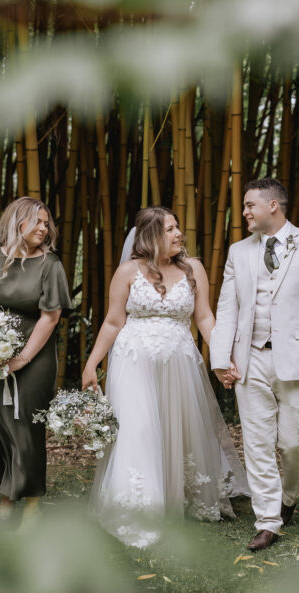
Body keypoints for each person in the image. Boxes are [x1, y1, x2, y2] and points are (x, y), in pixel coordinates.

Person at [83, 207, 248, 548]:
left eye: (177, 227)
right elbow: (114, 321)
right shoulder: (128, 272)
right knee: (138, 428)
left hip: (179, 362)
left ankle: (177, 497)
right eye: (170, 229)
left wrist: (221, 358)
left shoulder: (193, 269)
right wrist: (91, 364)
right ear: (150, 235)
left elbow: (204, 319)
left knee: (178, 428)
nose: (178, 234)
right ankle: (139, 508)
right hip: (133, 361)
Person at [210, 178, 299, 552]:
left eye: (250, 205)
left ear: (273, 207)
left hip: (297, 360)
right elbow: (227, 307)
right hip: (250, 358)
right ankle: (268, 520)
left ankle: (291, 494)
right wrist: (221, 359)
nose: (245, 212)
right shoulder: (239, 252)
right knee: (257, 443)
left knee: (295, 441)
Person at [0, 197, 71, 529]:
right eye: (37, 221)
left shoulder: (50, 265)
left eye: (46, 222)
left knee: (24, 426)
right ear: (17, 223)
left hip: (33, 357)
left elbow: (50, 318)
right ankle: (7, 491)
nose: (44, 228)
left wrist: (21, 357)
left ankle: (27, 504)